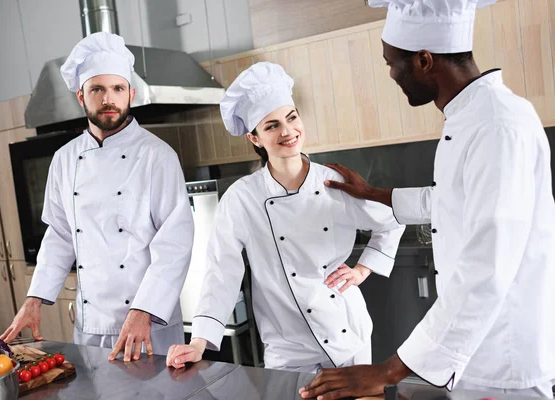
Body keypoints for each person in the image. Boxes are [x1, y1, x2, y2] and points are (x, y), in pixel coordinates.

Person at [299, 0, 555, 398]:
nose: (389, 74)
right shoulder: (470, 117)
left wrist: (389, 370)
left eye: (391, 62)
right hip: (478, 357)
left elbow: (486, 268)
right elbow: (454, 201)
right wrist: (375, 194)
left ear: (423, 60)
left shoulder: (497, 126)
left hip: (503, 365)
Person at [166, 62, 405, 373]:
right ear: (255, 139)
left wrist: (362, 269)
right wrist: (199, 342)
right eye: (272, 125)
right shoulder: (242, 198)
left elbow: (391, 219)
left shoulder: (335, 181)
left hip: (348, 337)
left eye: (291, 118)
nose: (288, 131)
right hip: (288, 350)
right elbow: (221, 271)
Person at [0, 32, 194, 363]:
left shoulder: (157, 155)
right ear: (81, 96)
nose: (108, 99)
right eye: (97, 89)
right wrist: (35, 299)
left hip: (149, 323)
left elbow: (175, 243)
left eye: (117, 89)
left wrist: (143, 311)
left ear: (131, 94)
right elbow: (61, 235)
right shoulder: (64, 159)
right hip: (92, 325)